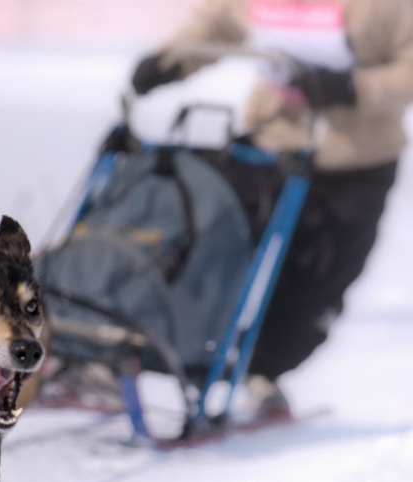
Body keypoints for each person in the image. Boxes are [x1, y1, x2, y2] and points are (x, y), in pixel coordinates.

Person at [131, 0, 413, 416]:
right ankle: (138, 345)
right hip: (269, 143)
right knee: (205, 245)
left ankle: (263, 372)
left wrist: (354, 87)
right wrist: (170, 62)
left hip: (354, 161)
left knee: (315, 282)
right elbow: (217, 23)